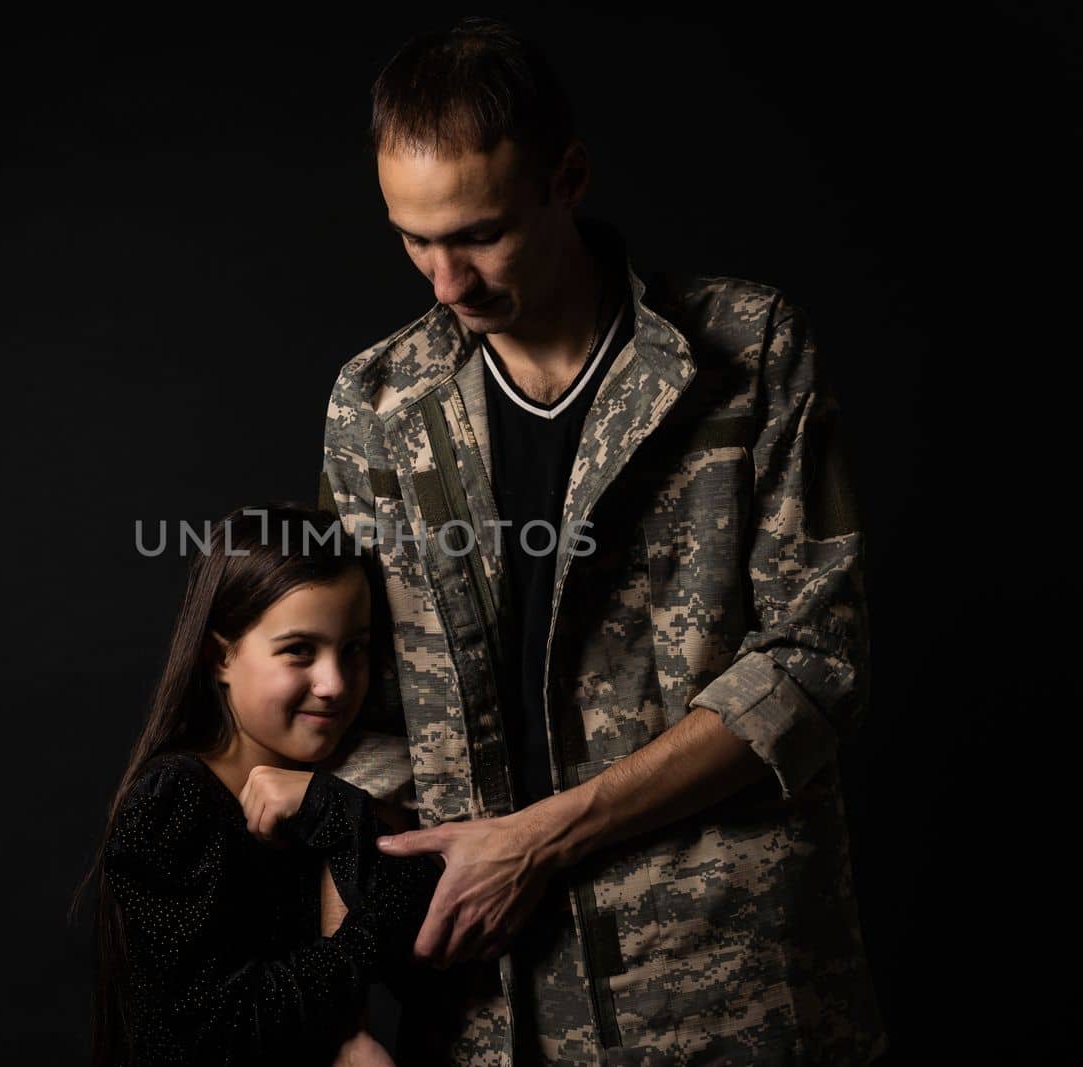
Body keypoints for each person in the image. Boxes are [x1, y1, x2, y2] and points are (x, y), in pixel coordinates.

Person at [314, 17, 888, 1065]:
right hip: (482, 997)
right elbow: (359, 697)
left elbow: (817, 660)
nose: (445, 283)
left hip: (724, 985)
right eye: (413, 238)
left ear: (566, 177)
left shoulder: (750, 352)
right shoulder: (376, 402)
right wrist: (344, 991)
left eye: (479, 233)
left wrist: (535, 839)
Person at [73, 503, 441, 1065]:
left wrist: (335, 810)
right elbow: (219, 1030)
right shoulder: (174, 801)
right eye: (299, 651)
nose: (334, 683)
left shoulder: (338, 788)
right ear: (220, 657)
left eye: (354, 650)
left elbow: (418, 933)